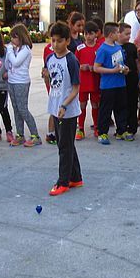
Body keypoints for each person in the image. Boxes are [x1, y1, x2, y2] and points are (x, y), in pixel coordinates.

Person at [43, 21, 82, 196]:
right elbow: (51, 82)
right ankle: (76, 177)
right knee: (64, 143)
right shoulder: (50, 58)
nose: (55, 44)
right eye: (53, 40)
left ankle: (63, 181)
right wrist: (45, 76)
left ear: (67, 41)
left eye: (59, 41)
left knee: (64, 147)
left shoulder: (71, 60)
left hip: (68, 110)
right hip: (55, 105)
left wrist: (65, 105)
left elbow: (75, 88)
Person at [5, 24, 41, 147]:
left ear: (20, 37)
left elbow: (16, 62)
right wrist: (10, 52)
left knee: (22, 109)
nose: (12, 40)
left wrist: (10, 51)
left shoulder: (25, 49)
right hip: (12, 81)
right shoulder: (15, 50)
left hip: (21, 82)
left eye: (14, 37)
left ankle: (35, 135)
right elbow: (7, 64)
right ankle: (20, 134)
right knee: (16, 109)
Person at [93, 22, 130, 144]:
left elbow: (121, 63)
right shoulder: (102, 49)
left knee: (121, 108)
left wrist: (125, 69)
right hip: (108, 85)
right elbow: (96, 67)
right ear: (110, 34)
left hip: (120, 83)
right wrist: (112, 71)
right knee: (105, 109)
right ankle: (102, 133)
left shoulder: (118, 48)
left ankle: (121, 131)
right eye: (117, 32)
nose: (119, 34)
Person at [75, 21, 101, 140]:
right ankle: (80, 128)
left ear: (96, 34)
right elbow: (75, 64)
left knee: (95, 104)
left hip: (95, 81)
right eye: (86, 34)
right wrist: (81, 67)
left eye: (91, 34)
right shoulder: (80, 48)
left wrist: (94, 68)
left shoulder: (99, 48)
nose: (88, 36)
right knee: (82, 104)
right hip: (83, 81)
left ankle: (96, 127)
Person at [119, 22, 140, 138]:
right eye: (126, 34)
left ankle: (132, 127)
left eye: (130, 34)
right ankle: (122, 127)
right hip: (120, 80)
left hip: (132, 79)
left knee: (132, 103)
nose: (129, 36)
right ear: (118, 33)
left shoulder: (132, 47)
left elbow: (137, 62)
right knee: (121, 104)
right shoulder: (115, 48)